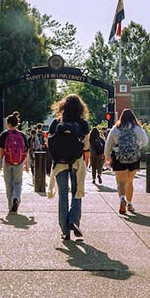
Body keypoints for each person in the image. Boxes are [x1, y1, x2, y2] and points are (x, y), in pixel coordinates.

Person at [47, 94, 90, 241]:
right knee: (77, 193)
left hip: (59, 164)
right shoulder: (83, 124)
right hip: (77, 163)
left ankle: (65, 231)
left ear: (63, 106)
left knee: (63, 196)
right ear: (80, 108)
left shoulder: (56, 122)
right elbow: (86, 146)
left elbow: (49, 143)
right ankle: (73, 220)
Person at [104, 109, 149, 214]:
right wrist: (138, 146)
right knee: (130, 182)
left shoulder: (116, 129)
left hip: (119, 157)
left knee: (120, 182)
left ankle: (122, 199)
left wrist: (107, 156)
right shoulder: (137, 129)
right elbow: (146, 141)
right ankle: (129, 204)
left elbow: (108, 144)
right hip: (134, 158)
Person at [0, 111, 30, 212]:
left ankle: (10, 205)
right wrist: (26, 164)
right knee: (18, 183)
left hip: (7, 161)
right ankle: (16, 198)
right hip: (19, 162)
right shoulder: (22, 135)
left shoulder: (4, 134)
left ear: (8, 124)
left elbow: (0, 150)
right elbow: (25, 151)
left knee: (8, 183)